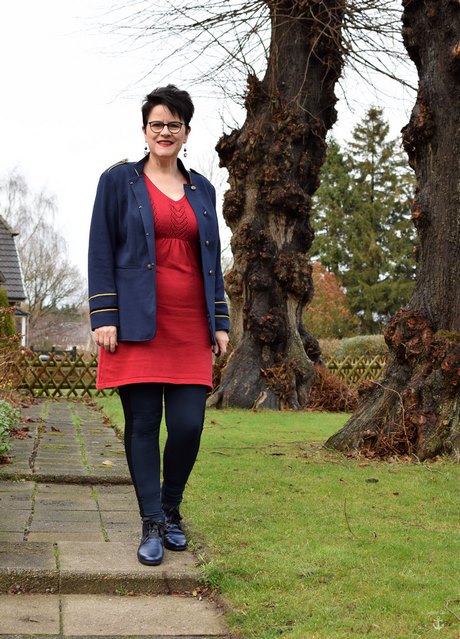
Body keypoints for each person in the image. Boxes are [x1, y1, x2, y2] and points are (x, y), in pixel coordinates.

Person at [88, 85, 230, 566]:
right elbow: (100, 249)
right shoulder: (117, 181)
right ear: (144, 130)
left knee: (188, 426)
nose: (164, 132)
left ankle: (171, 510)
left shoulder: (203, 189)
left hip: (190, 326)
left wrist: (220, 321)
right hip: (135, 324)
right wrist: (104, 315)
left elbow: (212, 261)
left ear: (186, 132)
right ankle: (151, 521)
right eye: (156, 124)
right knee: (144, 424)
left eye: (173, 125)